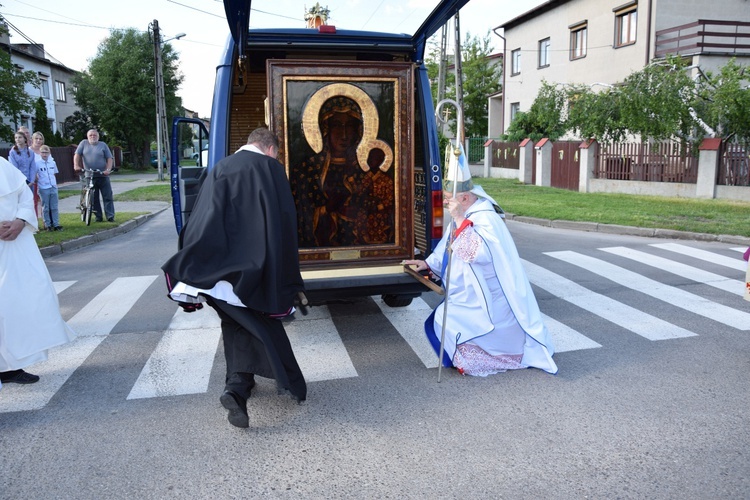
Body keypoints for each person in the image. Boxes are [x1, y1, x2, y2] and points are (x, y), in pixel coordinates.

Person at [162, 128, 306, 428]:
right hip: (256, 269)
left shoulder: (221, 167)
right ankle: (276, 383)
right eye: (276, 154)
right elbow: (284, 222)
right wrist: (287, 273)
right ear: (270, 149)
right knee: (260, 326)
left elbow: (201, 217)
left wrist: (193, 256)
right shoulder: (270, 169)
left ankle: (238, 387)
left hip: (214, 269)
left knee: (237, 323)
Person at [403, 145, 557, 377]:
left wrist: (457, 217)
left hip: (489, 294)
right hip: (471, 292)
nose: (446, 203)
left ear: (464, 197)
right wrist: (429, 264)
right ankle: (466, 356)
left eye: (449, 199)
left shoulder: (485, 218)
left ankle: (487, 358)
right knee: (450, 322)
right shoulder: (466, 214)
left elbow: (477, 253)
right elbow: (449, 244)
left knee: (457, 323)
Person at [0, 156, 76, 387]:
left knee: (25, 300)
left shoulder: (2, 165)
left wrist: (21, 221)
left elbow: (24, 195)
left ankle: (10, 366)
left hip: (15, 244)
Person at [292, 95, 394, 247]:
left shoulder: (365, 168)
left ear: (358, 130)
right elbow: (301, 213)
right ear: (326, 128)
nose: (344, 134)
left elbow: (384, 207)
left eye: (350, 126)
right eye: (337, 125)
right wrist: (326, 209)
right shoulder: (309, 168)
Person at [74, 129, 115, 222]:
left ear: (98, 136)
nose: (93, 137)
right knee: (93, 197)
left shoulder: (103, 145)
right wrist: (76, 165)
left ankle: (110, 216)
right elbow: (77, 155)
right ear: (87, 137)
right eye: (90, 135)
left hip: (102, 175)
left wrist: (108, 169)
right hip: (89, 175)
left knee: (107, 196)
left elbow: (109, 158)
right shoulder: (83, 144)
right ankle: (98, 216)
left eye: (95, 135)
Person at [35, 145, 62, 231]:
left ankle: (56, 224)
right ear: (40, 153)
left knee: (54, 207)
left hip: (53, 186)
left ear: (49, 153)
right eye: (43, 152)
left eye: (46, 152)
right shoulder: (37, 164)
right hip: (43, 187)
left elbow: (54, 174)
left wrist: (54, 184)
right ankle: (47, 224)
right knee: (45, 207)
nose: (44, 154)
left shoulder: (52, 163)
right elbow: (35, 175)